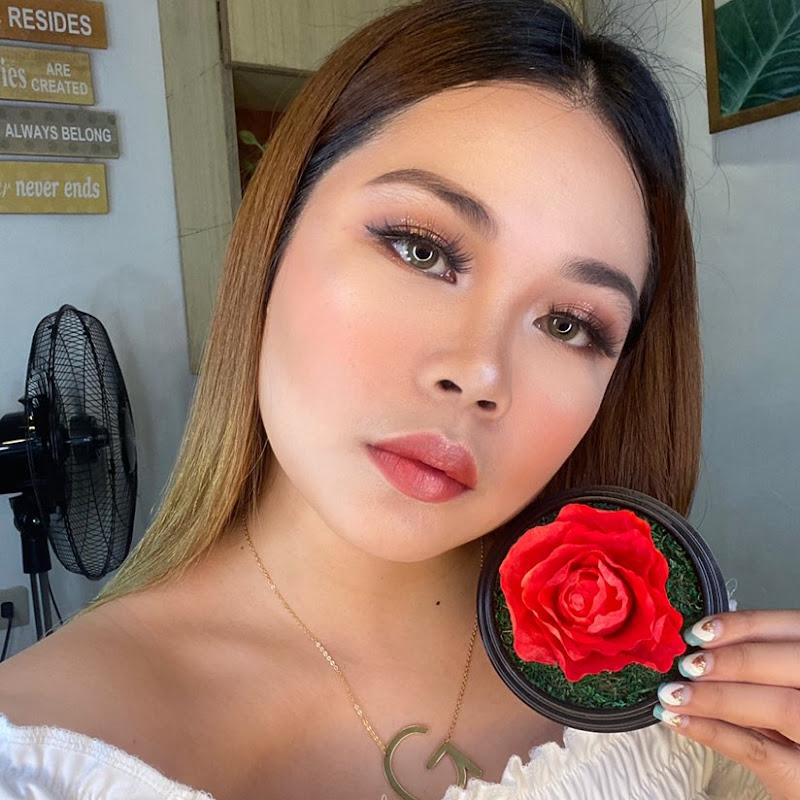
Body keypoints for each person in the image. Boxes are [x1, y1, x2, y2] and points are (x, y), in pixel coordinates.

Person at [0, 1, 796, 798]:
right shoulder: (39, 763)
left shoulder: (673, 666)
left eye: (568, 324)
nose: (480, 374)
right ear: (273, 234)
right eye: (421, 250)